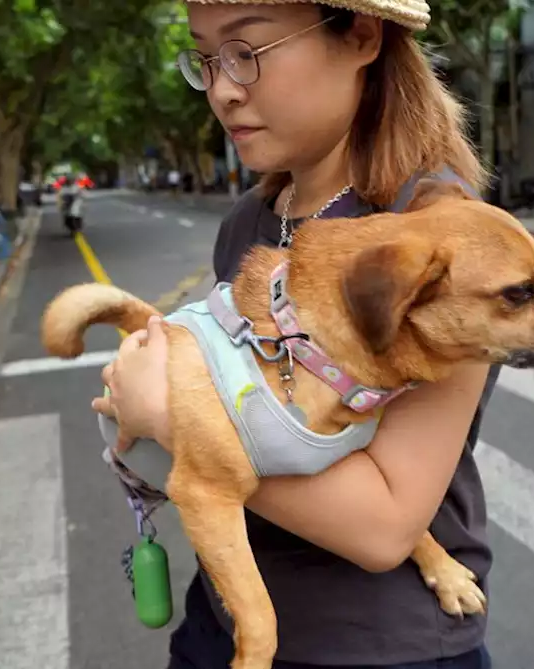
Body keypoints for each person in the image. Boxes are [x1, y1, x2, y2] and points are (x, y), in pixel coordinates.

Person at [92, 1, 499, 667]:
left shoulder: (439, 239)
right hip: (223, 617)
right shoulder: (251, 219)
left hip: (374, 646)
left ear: (363, 35)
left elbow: (384, 525)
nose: (223, 88)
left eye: (247, 49)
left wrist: (170, 418)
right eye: (206, 58)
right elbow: (248, 401)